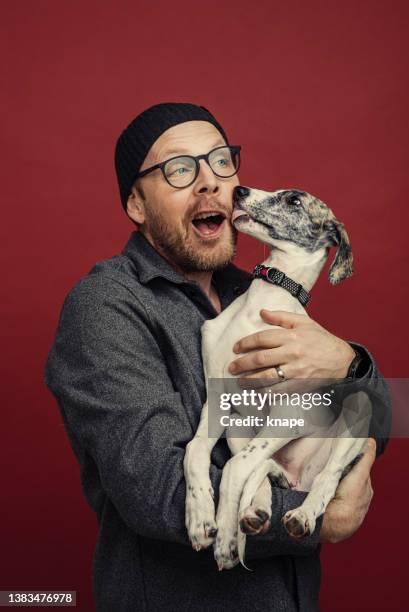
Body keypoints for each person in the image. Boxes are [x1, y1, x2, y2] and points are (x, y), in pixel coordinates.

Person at [44, 102, 391, 612]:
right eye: (180, 169)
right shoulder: (104, 307)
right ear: (137, 204)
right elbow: (156, 492)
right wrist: (321, 513)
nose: (209, 182)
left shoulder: (259, 293)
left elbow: (374, 426)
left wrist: (349, 366)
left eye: (220, 162)